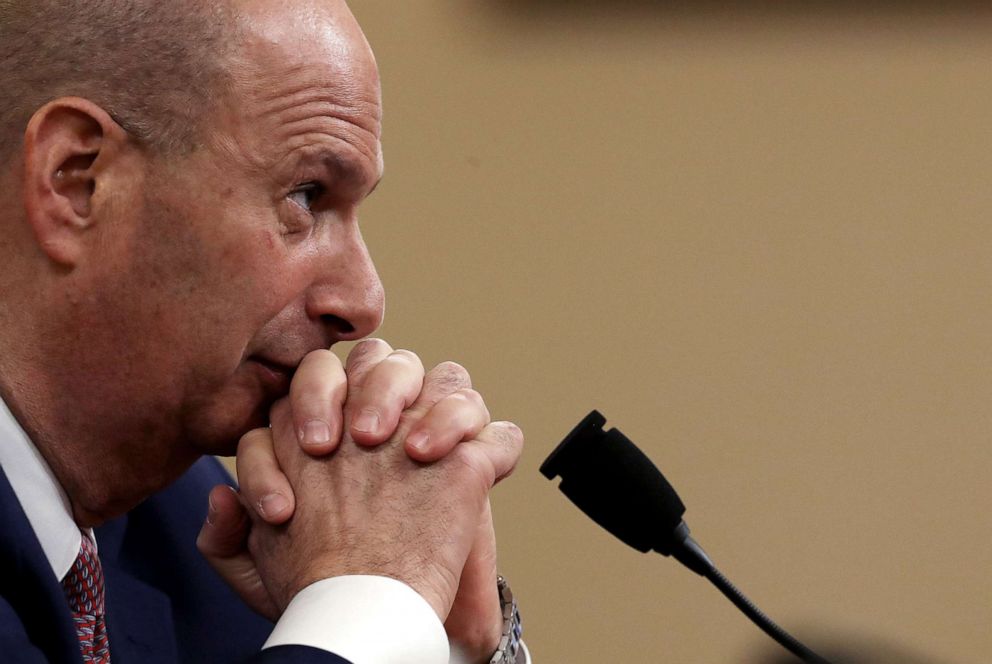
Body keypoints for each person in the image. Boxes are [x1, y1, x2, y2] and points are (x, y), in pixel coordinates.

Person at [0, 1, 527, 662]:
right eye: (306, 196)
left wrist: (446, 638)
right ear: (78, 180)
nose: (364, 303)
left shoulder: (197, 524)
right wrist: (370, 599)